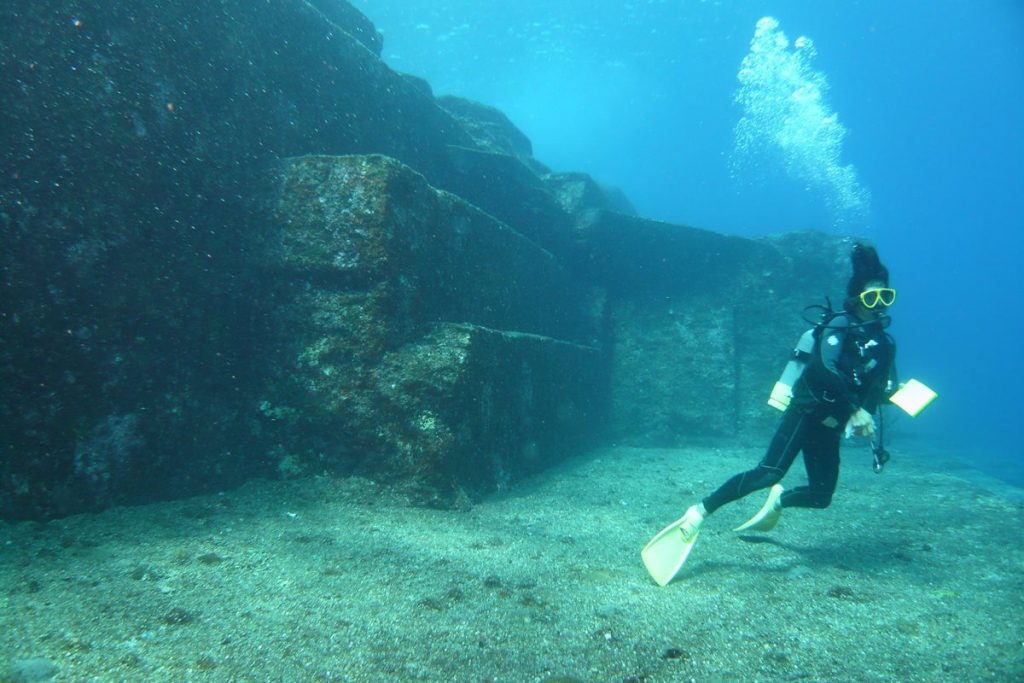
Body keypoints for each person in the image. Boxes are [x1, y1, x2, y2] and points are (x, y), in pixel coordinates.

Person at [678, 242, 897, 540]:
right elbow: (824, 369)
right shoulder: (838, 326)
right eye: (872, 298)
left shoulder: (885, 344)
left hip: (831, 424)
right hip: (806, 411)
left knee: (821, 497)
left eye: (886, 296)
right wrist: (855, 410)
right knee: (769, 473)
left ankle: (778, 501)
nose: (880, 305)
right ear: (857, 299)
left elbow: (875, 387)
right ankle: (699, 512)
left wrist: (866, 415)